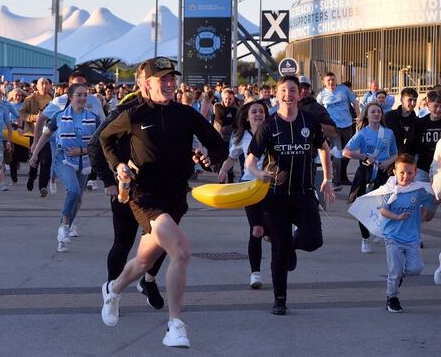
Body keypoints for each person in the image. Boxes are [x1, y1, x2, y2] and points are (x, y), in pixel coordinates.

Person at [99, 57, 227, 348]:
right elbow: (105, 138)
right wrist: (117, 165)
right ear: (147, 84)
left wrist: (213, 159)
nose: (170, 84)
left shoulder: (186, 114)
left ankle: (113, 289)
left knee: (145, 260)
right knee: (180, 251)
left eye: (172, 79)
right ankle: (175, 325)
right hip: (144, 195)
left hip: (175, 196)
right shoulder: (133, 114)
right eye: (162, 79)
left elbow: (216, 142)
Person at [246, 75, 336, 316]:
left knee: (313, 240)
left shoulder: (310, 120)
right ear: (277, 94)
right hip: (275, 196)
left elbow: (324, 150)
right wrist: (257, 173)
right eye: (284, 90)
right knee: (278, 250)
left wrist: (327, 179)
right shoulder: (269, 125)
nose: (289, 94)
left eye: (293, 90)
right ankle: (280, 300)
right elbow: (251, 160)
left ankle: (291, 246)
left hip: (304, 193)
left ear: (300, 94)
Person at [88, 63, 167, 311]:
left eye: (166, 79)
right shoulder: (126, 110)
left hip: (159, 189)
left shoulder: (170, 110)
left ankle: (148, 280)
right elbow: (95, 145)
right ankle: (113, 292)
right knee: (123, 242)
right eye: (155, 79)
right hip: (126, 189)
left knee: (163, 240)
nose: (161, 84)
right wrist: (109, 180)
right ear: (142, 82)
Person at [29, 83, 100, 252]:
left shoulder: (93, 117)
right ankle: (65, 226)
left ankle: (63, 228)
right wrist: (34, 154)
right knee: (73, 191)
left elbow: (98, 143)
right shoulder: (60, 116)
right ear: (70, 97)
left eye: (85, 95)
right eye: (79, 95)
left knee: (78, 199)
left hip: (84, 161)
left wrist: (82, 151)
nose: (83, 98)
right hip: (63, 159)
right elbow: (46, 135)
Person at [217, 100, 269, 289]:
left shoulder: (274, 132)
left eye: (261, 111)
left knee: (273, 229)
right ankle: (255, 273)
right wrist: (223, 171)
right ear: (247, 117)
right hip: (250, 186)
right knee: (257, 230)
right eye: (254, 112)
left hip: (271, 186)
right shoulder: (241, 137)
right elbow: (231, 157)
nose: (258, 115)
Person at [377, 154, 437, 312]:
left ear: (415, 172)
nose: (405, 176)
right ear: (395, 171)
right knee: (395, 270)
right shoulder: (390, 191)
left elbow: (432, 200)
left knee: (416, 268)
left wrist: (435, 198)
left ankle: (398, 278)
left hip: (412, 238)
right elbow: (383, 210)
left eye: (410, 173)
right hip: (393, 237)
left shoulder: (418, 190)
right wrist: (397, 216)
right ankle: (392, 297)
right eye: (402, 172)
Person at [343, 102, 398, 253]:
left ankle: (377, 229)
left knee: (382, 205)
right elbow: (346, 151)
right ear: (367, 114)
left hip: (383, 173)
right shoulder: (361, 133)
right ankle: (365, 237)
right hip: (365, 172)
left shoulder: (388, 133)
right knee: (362, 206)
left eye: (379, 112)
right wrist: (364, 156)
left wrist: (387, 162)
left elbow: (395, 153)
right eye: (373, 112)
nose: (377, 114)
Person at [316, 71, 359, 187]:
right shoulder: (321, 95)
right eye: (328, 80)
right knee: (338, 153)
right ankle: (335, 180)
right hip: (333, 129)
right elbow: (317, 109)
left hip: (348, 125)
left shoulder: (344, 89)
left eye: (333, 79)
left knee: (348, 153)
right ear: (324, 82)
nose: (331, 82)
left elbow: (355, 102)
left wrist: (359, 116)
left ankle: (343, 177)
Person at [20, 78, 53, 196]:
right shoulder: (30, 99)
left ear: (50, 86)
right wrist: (35, 117)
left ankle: (43, 186)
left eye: (46, 84)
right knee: (35, 158)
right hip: (33, 133)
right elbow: (22, 114)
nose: (44, 86)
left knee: (46, 160)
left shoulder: (54, 99)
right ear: (37, 86)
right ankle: (31, 176)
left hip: (48, 134)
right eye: (42, 84)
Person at [406, 89, 441, 182]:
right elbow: (411, 147)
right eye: (436, 106)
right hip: (422, 167)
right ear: (428, 105)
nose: (438, 110)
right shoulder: (419, 123)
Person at [384, 87, 418, 154]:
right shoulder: (388, 117)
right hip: (390, 158)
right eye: (410, 100)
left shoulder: (417, 121)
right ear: (402, 100)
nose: (413, 103)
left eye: (415, 100)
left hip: (409, 159)